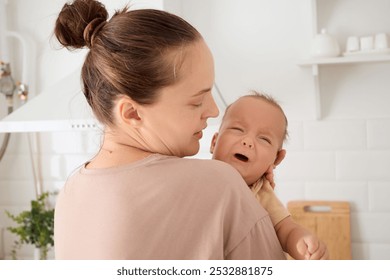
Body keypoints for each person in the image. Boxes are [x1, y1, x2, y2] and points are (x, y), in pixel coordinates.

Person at [53, 0, 286, 259]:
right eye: (197, 101)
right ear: (132, 113)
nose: (213, 111)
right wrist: (253, 207)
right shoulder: (220, 184)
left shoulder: (70, 194)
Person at [210, 91, 329, 260]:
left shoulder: (261, 193)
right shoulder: (197, 174)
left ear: (276, 159)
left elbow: (285, 230)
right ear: (214, 142)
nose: (248, 141)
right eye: (237, 129)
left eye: (264, 139)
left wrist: (302, 241)